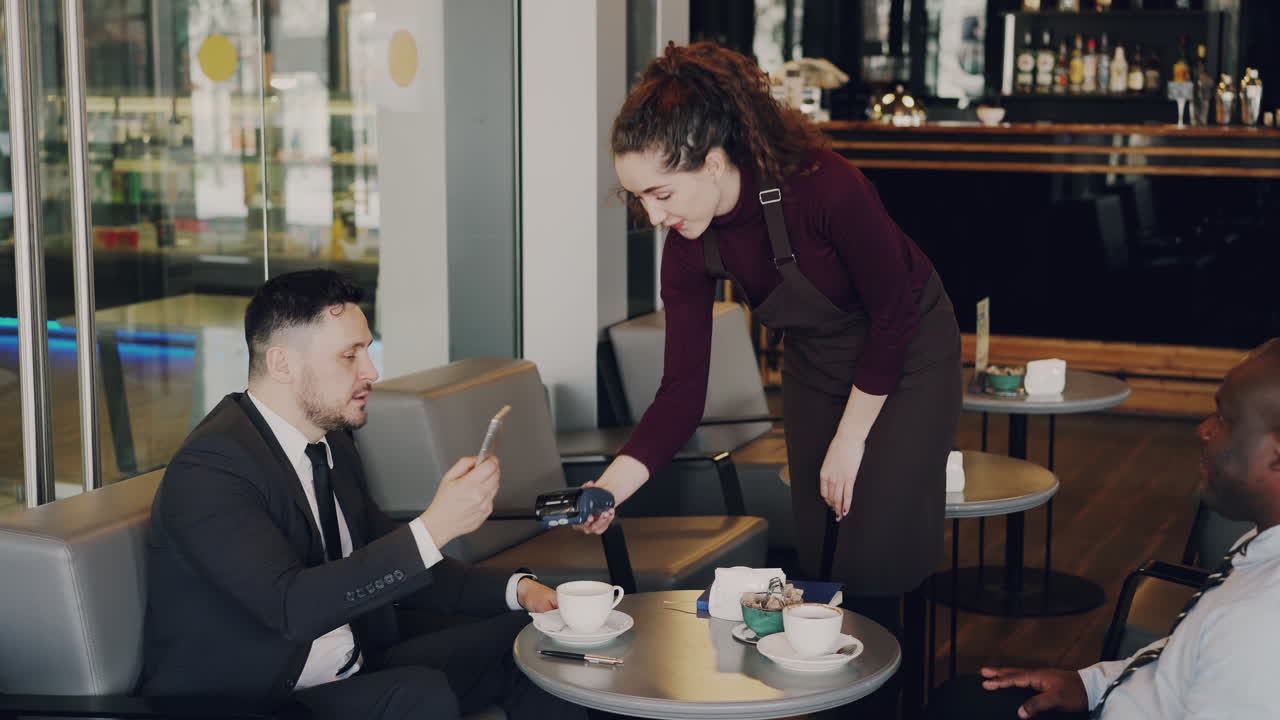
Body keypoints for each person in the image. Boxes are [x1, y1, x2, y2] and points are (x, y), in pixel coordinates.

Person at [583, 42, 961, 638]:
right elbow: (682, 392)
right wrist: (610, 488)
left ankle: (891, 686)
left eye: (661, 194)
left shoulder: (826, 187)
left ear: (711, 162)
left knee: (877, 543)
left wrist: (851, 437)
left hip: (909, 352)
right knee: (823, 542)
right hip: (816, 361)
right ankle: (828, 675)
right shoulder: (688, 246)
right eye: (639, 198)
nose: (652, 217)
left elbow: (894, 315)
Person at [138, 270, 585, 720]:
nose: (371, 372)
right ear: (282, 365)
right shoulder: (212, 469)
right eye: (349, 356)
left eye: (367, 351)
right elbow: (293, 608)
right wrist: (435, 527)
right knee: (418, 694)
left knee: (533, 644)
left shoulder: (331, 443)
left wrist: (520, 591)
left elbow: (388, 562)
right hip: (257, 699)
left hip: (355, 665)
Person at [927, 338, 1280, 720]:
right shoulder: (1262, 546)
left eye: (1223, 419)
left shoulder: (1261, 627)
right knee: (963, 700)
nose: (1204, 431)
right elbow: (1179, 662)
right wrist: (1091, 684)